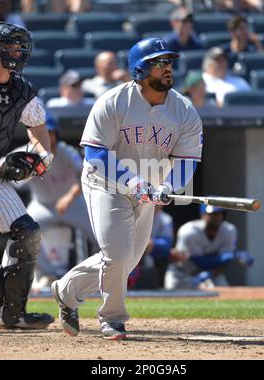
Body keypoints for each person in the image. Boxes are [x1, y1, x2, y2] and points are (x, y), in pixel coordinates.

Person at [51, 37, 203, 339]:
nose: (167, 68)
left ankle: (66, 291)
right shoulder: (113, 101)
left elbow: (187, 159)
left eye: (169, 62)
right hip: (106, 183)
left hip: (149, 188)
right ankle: (113, 318)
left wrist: (169, 187)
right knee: (117, 256)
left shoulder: (184, 110)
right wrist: (135, 183)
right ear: (139, 71)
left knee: (126, 261)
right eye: (159, 63)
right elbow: (95, 155)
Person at [0, 23, 54, 329]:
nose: (15, 53)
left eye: (19, 48)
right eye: (9, 47)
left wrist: (41, 157)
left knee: (28, 233)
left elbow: (39, 128)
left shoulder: (22, 89)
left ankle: (11, 313)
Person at [0, 115, 99, 289]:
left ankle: (99, 275)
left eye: (49, 132)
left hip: (72, 204)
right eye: (42, 132)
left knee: (100, 233)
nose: (46, 136)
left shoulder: (66, 151)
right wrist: (7, 167)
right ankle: (49, 274)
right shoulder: (28, 151)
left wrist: (69, 197)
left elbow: (84, 176)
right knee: (24, 233)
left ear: (55, 134)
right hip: (42, 205)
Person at [165, 204, 253, 289]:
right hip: (182, 273)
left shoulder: (229, 230)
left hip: (211, 273)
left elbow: (223, 264)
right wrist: (231, 255)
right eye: (212, 214)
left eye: (219, 213)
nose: (217, 217)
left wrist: (212, 273)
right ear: (203, 215)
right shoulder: (189, 232)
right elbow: (201, 262)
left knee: (224, 291)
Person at [129, 205, 174, 289]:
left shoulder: (165, 219)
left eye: (158, 203)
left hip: (150, 252)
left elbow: (166, 244)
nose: (156, 205)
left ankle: (156, 286)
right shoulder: (132, 213)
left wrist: (153, 243)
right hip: (131, 248)